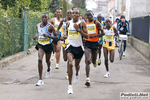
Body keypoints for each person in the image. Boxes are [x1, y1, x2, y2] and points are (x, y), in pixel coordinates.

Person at [64, 9, 88, 94]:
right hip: (70, 47)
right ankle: (70, 86)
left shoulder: (82, 23)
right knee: (70, 64)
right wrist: (64, 37)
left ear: (79, 15)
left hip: (79, 48)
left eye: (76, 13)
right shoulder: (68, 23)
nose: (74, 14)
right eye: (73, 13)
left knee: (77, 65)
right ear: (71, 14)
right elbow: (66, 34)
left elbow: (87, 36)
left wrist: (79, 30)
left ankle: (77, 73)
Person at [33, 13, 58, 86]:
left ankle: (49, 68)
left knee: (47, 60)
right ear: (41, 18)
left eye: (45, 17)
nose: (44, 18)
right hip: (41, 44)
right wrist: (35, 36)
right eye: (43, 17)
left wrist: (48, 36)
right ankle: (40, 79)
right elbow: (38, 32)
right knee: (40, 59)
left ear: (48, 18)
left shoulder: (51, 26)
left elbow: (56, 37)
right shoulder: (38, 25)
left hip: (48, 45)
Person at [84, 10, 104, 86]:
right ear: (86, 16)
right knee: (88, 60)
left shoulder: (96, 23)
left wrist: (95, 36)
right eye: (88, 15)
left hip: (95, 44)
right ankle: (87, 78)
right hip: (87, 43)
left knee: (94, 61)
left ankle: (95, 62)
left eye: (91, 15)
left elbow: (103, 33)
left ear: (93, 15)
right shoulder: (85, 23)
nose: (89, 17)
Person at [57, 9, 72, 79]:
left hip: (71, 41)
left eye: (70, 13)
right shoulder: (63, 21)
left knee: (69, 59)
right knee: (65, 59)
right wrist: (59, 36)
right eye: (68, 13)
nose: (69, 14)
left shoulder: (74, 22)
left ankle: (67, 72)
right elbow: (58, 29)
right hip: (64, 41)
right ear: (66, 14)